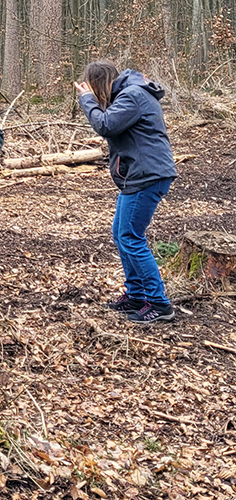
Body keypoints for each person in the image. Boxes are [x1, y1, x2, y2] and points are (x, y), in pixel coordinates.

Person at [75, 61, 178, 323]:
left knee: (131, 236)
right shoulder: (131, 92)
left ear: (98, 84)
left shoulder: (132, 95)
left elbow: (106, 125)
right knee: (122, 235)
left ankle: (159, 303)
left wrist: (87, 100)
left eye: (91, 88)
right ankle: (136, 295)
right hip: (140, 173)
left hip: (148, 174)